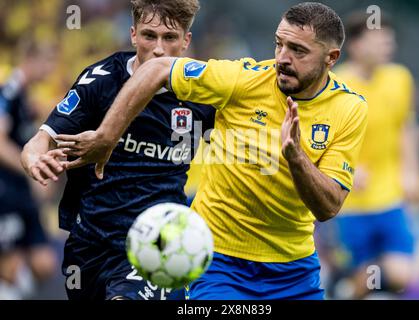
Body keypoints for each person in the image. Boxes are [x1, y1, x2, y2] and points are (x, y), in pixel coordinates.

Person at [54, 2, 368, 300]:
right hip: (218, 261)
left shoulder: (349, 108)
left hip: (293, 269)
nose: (282, 58)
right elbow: (157, 70)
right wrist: (107, 137)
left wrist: (296, 157)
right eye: (279, 44)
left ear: (331, 57)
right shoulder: (243, 80)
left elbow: (328, 207)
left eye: (298, 50)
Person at [21, 0, 215, 300]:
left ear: (186, 41)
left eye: (170, 38)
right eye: (150, 36)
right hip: (90, 245)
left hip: (159, 243)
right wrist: (35, 159)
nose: (159, 50)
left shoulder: (203, 92)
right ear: (134, 34)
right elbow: (39, 141)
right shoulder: (101, 79)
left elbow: (239, 155)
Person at [329, 12, 419, 299]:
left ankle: (341, 285)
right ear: (355, 45)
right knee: (363, 281)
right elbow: (322, 138)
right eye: (378, 41)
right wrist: (348, 170)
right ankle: (344, 286)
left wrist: (411, 171)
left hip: (390, 197)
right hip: (351, 204)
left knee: (401, 273)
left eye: (389, 42)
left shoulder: (400, 78)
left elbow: (406, 126)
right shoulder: (336, 84)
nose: (386, 48)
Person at [0, 41, 58, 299]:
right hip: (6, 194)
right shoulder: (9, 90)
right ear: (33, 60)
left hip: (22, 193)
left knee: (45, 264)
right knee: (12, 269)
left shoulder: (24, 96)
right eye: (48, 63)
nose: (50, 70)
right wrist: (31, 170)